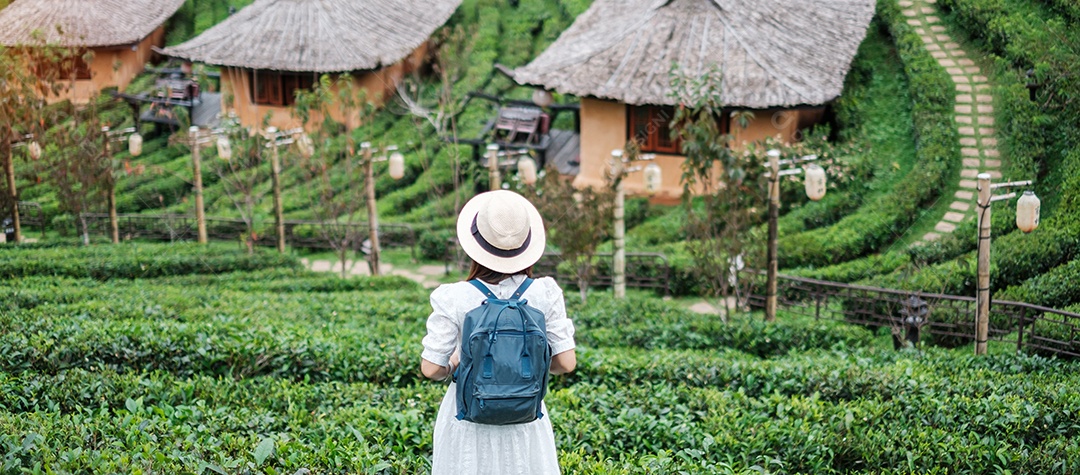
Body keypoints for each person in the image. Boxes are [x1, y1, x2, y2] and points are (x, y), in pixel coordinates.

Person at [421, 190, 577, 475]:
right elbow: (566, 363)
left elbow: (431, 369)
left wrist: (455, 362)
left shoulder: (454, 297)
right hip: (526, 420)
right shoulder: (545, 293)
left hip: (468, 421)